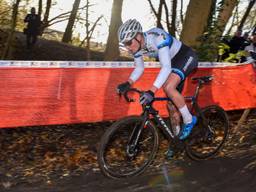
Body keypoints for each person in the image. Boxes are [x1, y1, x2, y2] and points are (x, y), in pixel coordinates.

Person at [116, 19, 198, 157]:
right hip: (173, 65)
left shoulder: (157, 37)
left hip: (186, 57)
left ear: (138, 36)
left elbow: (166, 67)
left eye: (129, 43)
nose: (128, 47)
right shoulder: (138, 47)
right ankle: (177, 141)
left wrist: (152, 91)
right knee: (171, 106)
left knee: (168, 87)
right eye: (125, 45)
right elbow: (139, 67)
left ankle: (189, 120)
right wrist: (128, 82)